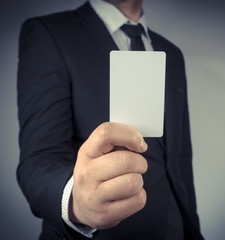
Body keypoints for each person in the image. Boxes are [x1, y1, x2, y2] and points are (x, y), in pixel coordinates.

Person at [17, 0, 204, 239]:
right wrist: (77, 203)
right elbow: (39, 160)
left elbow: (179, 160)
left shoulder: (173, 54)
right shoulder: (50, 33)